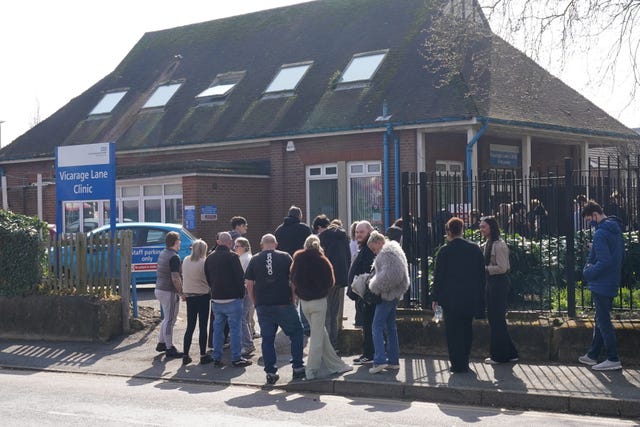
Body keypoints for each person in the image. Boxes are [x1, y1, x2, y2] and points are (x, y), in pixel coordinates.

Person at [245, 234, 305, 385]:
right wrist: (293, 298)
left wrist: (255, 302)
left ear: (261, 244)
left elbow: (249, 284)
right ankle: (297, 367)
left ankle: (271, 372)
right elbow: (293, 281)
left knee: (268, 339)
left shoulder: (255, 259)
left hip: (264, 306)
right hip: (284, 304)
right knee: (297, 333)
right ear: (276, 244)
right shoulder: (285, 257)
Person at [291, 235, 353, 380]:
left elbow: (293, 278)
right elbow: (331, 282)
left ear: (305, 245)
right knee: (317, 338)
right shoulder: (323, 260)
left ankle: (336, 365)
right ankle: (311, 371)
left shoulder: (297, 259)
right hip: (319, 302)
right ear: (319, 245)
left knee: (321, 334)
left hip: (304, 303)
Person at [432, 217, 486, 373]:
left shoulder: (444, 251)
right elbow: (481, 276)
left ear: (448, 231)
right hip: (469, 297)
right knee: (466, 329)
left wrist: (435, 298)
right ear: (462, 230)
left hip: (450, 299)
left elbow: (438, 277)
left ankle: (457, 364)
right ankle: (465, 360)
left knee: (452, 332)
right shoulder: (475, 249)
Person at [578, 201, 624, 371]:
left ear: (595, 215)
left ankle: (613, 358)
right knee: (600, 318)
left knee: (603, 321)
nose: (591, 223)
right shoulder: (614, 230)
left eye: (590, 219)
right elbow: (612, 255)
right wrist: (594, 247)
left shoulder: (600, 234)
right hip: (611, 280)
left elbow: (604, 261)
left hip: (601, 283)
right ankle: (592, 355)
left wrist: (588, 272)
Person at [204, 232, 252, 367]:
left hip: (216, 299)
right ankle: (236, 357)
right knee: (235, 329)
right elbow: (239, 278)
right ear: (230, 243)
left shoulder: (210, 258)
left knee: (218, 329)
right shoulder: (233, 257)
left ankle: (217, 357)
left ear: (218, 242)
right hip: (232, 299)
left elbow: (207, 277)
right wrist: (241, 294)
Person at [366, 231, 410, 374]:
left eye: (374, 249)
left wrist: (374, 286)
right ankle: (393, 361)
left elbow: (392, 275)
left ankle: (379, 360)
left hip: (387, 295)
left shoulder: (386, 253)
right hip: (395, 294)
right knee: (390, 326)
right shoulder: (394, 249)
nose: (374, 252)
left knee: (376, 326)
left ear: (379, 243)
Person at [479, 216, 519, 364]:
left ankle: (499, 355)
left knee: (496, 319)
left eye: (484, 227)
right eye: (481, 227)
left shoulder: (499, 245)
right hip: (492, 282)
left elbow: (503, 268)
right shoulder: (489, 243)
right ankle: (510, 352)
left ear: (491, 227)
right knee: (496, 319)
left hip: (498, 283)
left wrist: (484, 269)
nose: (481, 229)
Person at [314, 214, 351, 349]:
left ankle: (327, 345)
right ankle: (334, 343)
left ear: (320, 228)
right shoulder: (344, 236)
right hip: (341, 277)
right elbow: (348, 257)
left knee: (326, 312)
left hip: (327, 278)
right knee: (334, 311)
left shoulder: (322, 238)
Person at [275, 205, 312, 335]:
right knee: (302, 294)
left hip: (283, 266)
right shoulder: (304, 229)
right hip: (301, 266)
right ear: (300, 216)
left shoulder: (279, 230)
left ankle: (288, 322)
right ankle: (305, 325)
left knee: (287, 294)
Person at [347, 220, 376, 365]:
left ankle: (369, 354)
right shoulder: (364, 247)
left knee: (369, 325)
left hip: (367, 295)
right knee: (367, 325)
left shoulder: (369, 249)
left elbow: (368, 272)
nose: (358, 235)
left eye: (361, 232)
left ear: (369, 232)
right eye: (357, 232)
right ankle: (369, 353)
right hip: (362, 295)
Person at [181, 239, 214, 365]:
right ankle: (202, 354)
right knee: (202, 326)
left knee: (190, 326)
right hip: (203, 296)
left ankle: (185, 355)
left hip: (189, 296)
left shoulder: (185, 260)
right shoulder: (204, 262)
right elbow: (208, 278)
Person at [154, 231, 184, 358]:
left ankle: (161, 343)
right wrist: (181, 292)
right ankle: (169, 347)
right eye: (179, 240)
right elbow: (175, 277)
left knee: (166, 318)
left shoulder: (163, 253)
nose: (180, 242)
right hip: (168, 291)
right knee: (170, 319)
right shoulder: (174, 257)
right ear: (176, 242)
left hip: (159, 289)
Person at [234, 237, 256, 357]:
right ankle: (247, 342)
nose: (235, 248)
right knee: (245, 318)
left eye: (237, 246)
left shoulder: (244, 259)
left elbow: (242, 277)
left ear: (244, 247)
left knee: (242, 318)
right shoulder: (246, 257)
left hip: (245, 291)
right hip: (247, 290)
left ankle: (247, 344)